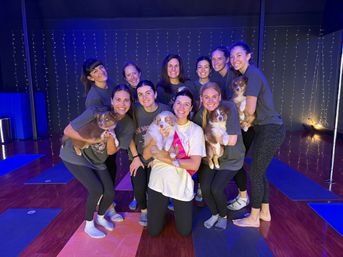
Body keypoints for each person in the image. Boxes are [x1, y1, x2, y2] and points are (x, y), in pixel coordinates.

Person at [60, 84, 135, 238]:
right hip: (75, 154)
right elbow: (67, 131)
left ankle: (101, 217)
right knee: (96, 189)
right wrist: (92, 140)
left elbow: (111, 151)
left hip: (98, 159)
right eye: (118, 99)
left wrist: (109, 138)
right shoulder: (96, 111)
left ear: (130, 102)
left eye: (126, 100)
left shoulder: (128, 124)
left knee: (110, 192)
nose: (122, 104)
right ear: (112, 101)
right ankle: (89, 224)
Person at [228, 41, 286, 228]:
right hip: (265, 129)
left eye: (238, 55)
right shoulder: (247, 76)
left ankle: (253, 218)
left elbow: (250, 110)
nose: (234, 59)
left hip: (270, 129)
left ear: (248, 56)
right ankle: (265, 212)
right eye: (232, 56)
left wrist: (240, 122)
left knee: (255, 173)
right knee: (260, 172)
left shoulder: (252, 75)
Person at [143, 89, 206, 236]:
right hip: (158, 181)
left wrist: (163, 157)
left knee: (184, 232)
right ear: (173, 104)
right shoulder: (162, 121)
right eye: (179, 103)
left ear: (191, 108)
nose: (181, 107)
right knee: (153, 231)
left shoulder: (196, 130)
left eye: (186, 104)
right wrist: (156, 136)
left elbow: (194, 165)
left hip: (181, 183)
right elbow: (146, 155)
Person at [193, 82, 245, 230]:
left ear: (220, 97)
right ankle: (214, 213)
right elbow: (196, 137)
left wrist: (209, 137)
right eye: (206, 97)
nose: (210, 101)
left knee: (216, 189)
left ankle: (223, 215)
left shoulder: (229, 108)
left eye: (214, 97)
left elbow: (232, 140)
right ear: (201, 99)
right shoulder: (199, 115)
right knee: (205, 187)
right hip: (211, 156)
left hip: (231, 158)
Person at [80, 58, 123, 221]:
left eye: (101, 68)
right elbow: (95, 124)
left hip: (111, 136)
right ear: (90, 78)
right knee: (104, 172)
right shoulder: (93, 97)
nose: (101, 72)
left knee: (111, 169)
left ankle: (108, 202)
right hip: (100, 139)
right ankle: (107, 207)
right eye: (95, 71)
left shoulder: (111, 84)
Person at [128, 80, 169, 226]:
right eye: (140, 94)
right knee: (139, 187)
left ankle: (157, 206)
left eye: (148, 93)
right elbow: (129, 137)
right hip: (137, 156)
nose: (144, 97)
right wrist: (135, 157)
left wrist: (157, 157)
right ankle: (144, 211)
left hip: (157, 156)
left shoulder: (165, 110)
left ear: (155, 94)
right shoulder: (133, 111)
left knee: (154, 188)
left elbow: (170, 137)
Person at [122, 61, 143, 210]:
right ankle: (137, 196)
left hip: (147, 137)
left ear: (139, 73)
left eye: (134, 73)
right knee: (135, 167)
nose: (132, 76)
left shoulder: (146, 89)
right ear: (126, 79)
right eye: (128, 75)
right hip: (133, 137)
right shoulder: (126, 95)